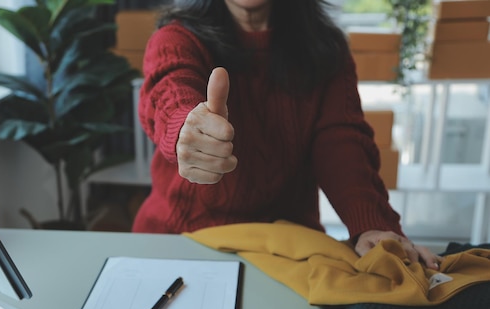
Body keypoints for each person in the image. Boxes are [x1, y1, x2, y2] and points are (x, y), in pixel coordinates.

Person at [131, 0, 442, 269]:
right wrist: (186, 127)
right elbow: (171, 86)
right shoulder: (175, 38)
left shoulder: (327, 49)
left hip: (288, 248)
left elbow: (341, 142)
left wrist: (371, 224)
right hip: (179, 243)